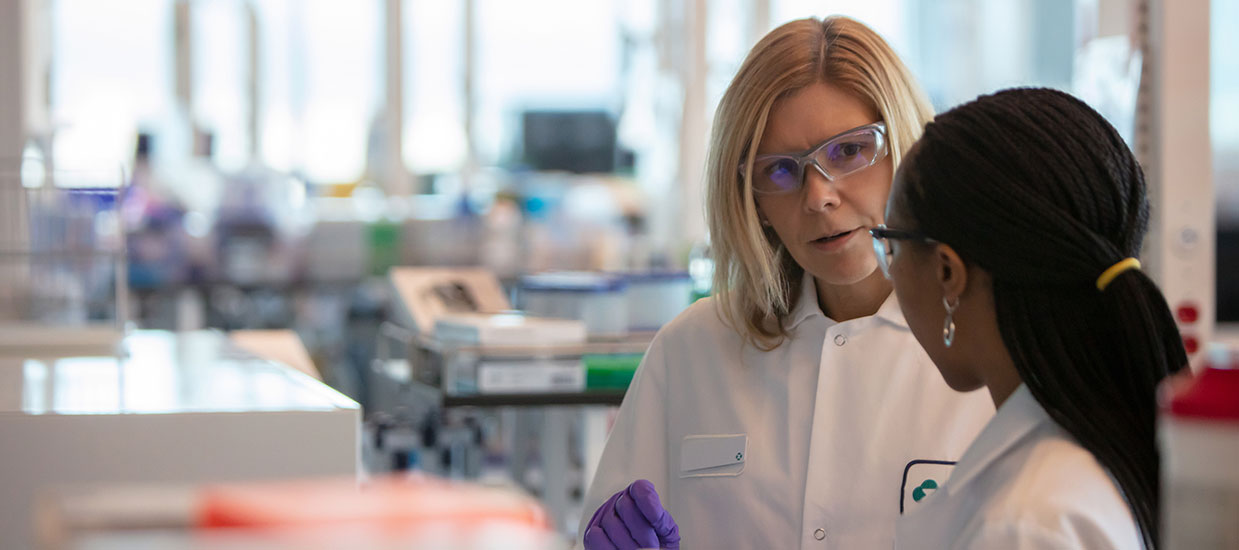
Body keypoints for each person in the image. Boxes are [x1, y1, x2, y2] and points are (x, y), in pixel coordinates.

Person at [580, 16, 994, 549]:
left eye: (849, 150)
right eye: (779, 170)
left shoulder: (987, 353)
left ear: (909, 150)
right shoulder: (692, 351)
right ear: (754, 203)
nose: (818, 196)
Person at [873, 88, 1188, 549]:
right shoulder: (1101, 447)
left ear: (947, 271)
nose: (891, 273)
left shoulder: (1025, 523)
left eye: (890, 247)